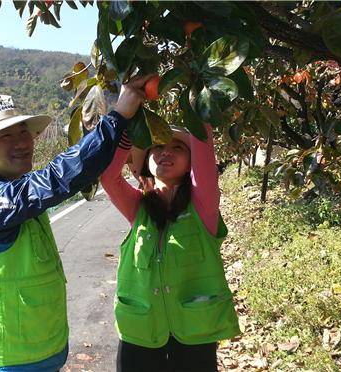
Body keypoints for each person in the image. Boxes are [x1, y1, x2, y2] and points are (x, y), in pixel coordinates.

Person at [0, 76, 148, 371]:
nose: (22, 142)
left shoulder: (13, 187)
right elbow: (58, 178)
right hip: (6, 361)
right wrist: (119, 115)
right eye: (5, 135)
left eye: (24, 131)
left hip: (39, 354)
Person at [100, 119, 241, 371]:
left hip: (194, 328)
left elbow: (205, 159)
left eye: (177, 148)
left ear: (191, 163)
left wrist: (197, 104)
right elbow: (109, 178)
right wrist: (127, 126)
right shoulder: (138, 208)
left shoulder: (203, 207)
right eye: (156, 147)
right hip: (141, 328)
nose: (165, 151)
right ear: (145, 162)